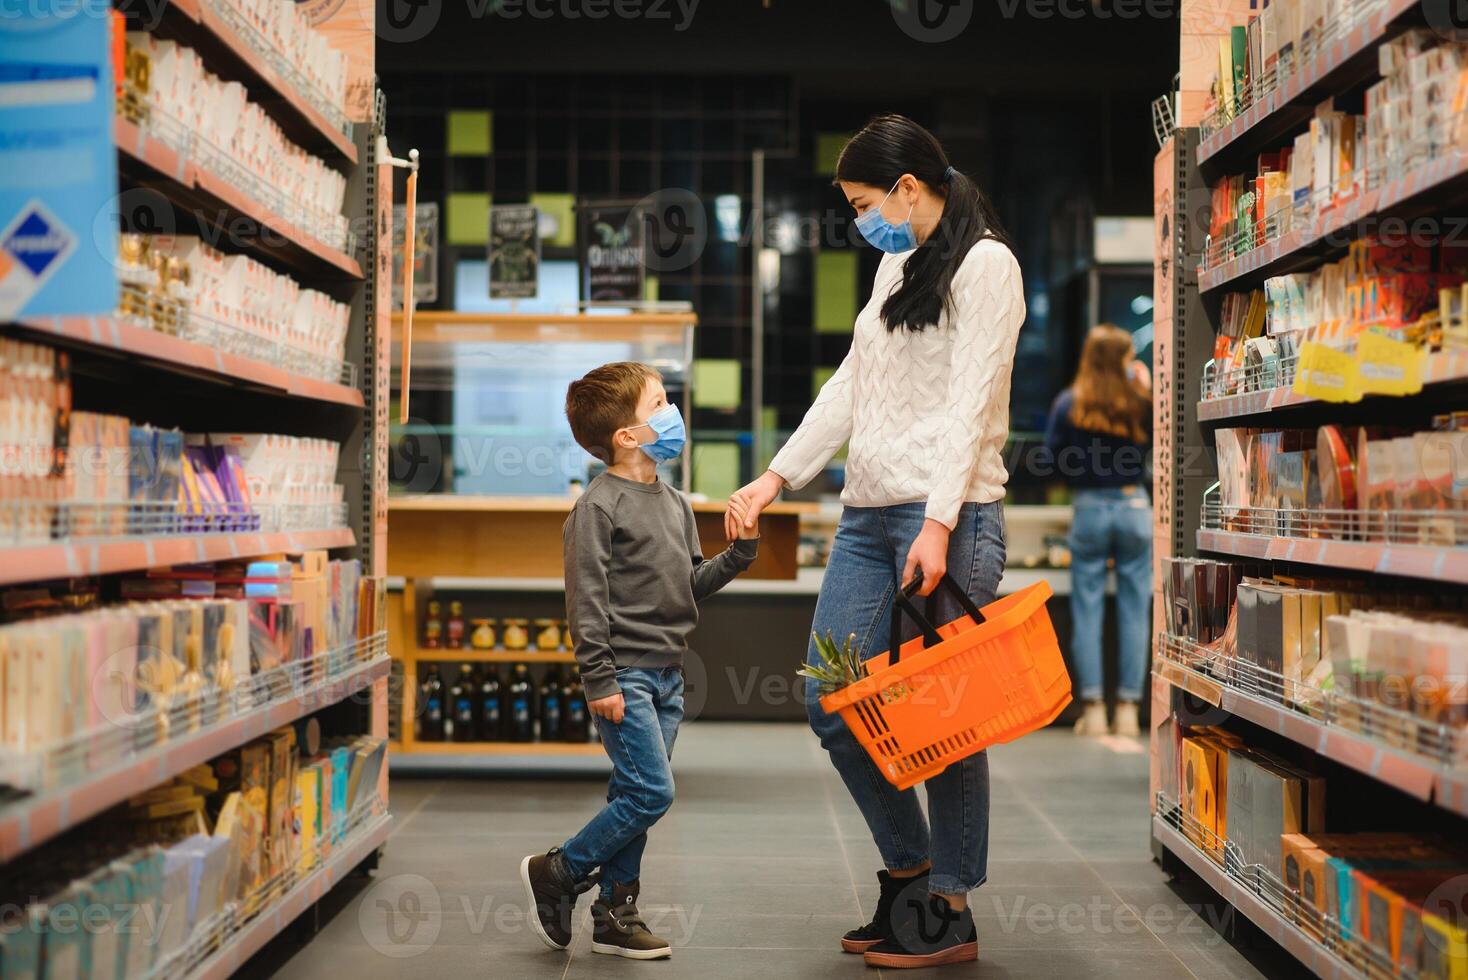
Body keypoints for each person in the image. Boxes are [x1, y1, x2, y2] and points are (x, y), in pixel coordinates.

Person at [726, 114, 1025, 969]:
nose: (863, 222)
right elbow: (854, 384)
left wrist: (936, 522)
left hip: (950, 518)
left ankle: (950, 908)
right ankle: (911, 866)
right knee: (832, 704)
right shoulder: (898, 261)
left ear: (907, 187)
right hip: (865, 519)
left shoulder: (988, 264)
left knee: (943, 720)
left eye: (865, 203)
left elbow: (971, 403)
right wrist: (776, 477)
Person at [521, 361, 760, 960]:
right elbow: (586, 604)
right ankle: (559, 871)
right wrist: (599, 678)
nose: (672, 411)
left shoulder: (674, 503)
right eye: (660, 403)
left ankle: (614, 913)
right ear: (627, 436)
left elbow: (688, 584)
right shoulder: (597, 508)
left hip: (668, 674)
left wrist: (742, 552)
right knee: (653, 792)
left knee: (632, 792)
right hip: (623, 675)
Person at [1043, 323, 1152, 737]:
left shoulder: (1070, 402)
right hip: (1134, 506)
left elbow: (1050, 459)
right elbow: (1159, 444)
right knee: (1134, 609)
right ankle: (1127, 708)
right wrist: (1146, 387)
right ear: (1123, 360)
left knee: (1086, 609)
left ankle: (1093, 709)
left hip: (1088, 508)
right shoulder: (1140, 400)